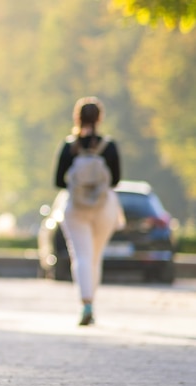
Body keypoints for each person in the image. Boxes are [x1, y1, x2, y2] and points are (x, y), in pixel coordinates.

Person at [54, 96, 123, 326]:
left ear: (77, 117)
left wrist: (79, 187)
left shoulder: (69, 145)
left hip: (75, 207)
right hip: (104, 207)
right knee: (95, 256)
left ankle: (86, 304)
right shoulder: (109, 146)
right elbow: (115, 180)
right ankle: (92, 301)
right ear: (100, 118)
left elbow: (58, 181)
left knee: (81, 257)